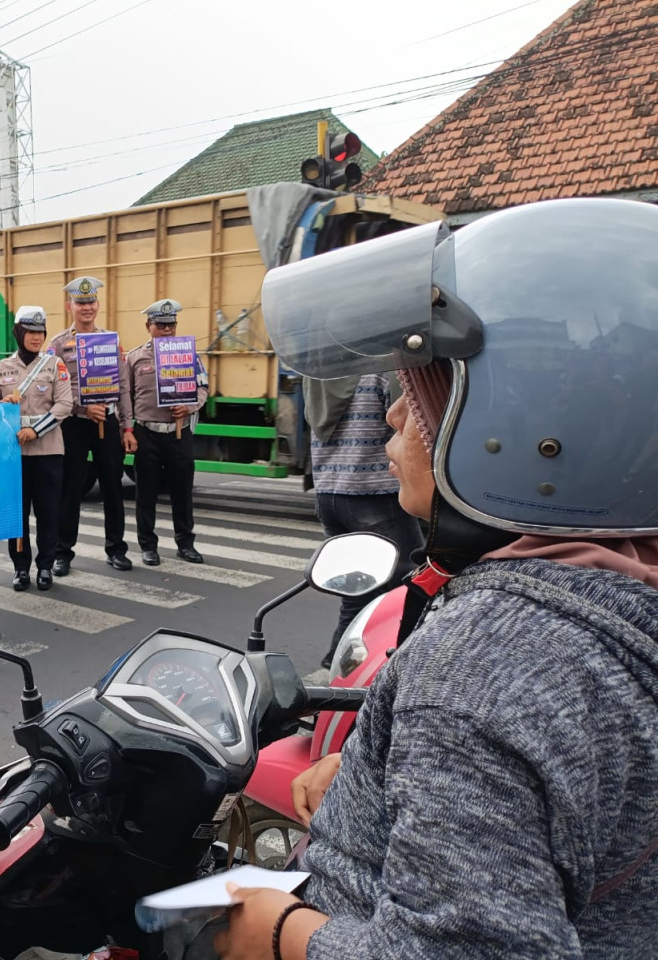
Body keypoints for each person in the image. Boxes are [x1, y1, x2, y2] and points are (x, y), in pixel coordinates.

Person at [216, 198, 658, 960]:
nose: (391, 415)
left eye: (422, 392)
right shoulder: (615, 605)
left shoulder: (483, 672)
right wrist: (371, 775)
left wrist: (278, 932)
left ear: (525, 425)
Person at [305, 372, 423, 668]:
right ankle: (395, 669)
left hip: (329, 492)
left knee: (356, 590)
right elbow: (409, 421)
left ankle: (338, 664)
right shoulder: (380, 370)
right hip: (373, 493)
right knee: (407, 586)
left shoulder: (319, 375)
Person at [48, 276, 132, 576]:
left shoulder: (111, 341)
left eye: (91, 302)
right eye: (80, 302)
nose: (86, 307)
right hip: (75, 423)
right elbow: (53, 388)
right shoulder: (58, 345)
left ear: (97, 305)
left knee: (112, 486)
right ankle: (63, 553)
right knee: (70, 489)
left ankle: (116, 549)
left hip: (107, 422)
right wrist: (84, 406)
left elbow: (123, 385)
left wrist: (127, 427)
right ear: (69, 306)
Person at [0, 306, 73, 591]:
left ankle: (45, 566)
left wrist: (35, 430)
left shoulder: (54, 365)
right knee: (16, 515)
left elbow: (64, 405)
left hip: (48, 452)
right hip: (13, 457)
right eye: (30, 332)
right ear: (19, 333)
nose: (36, 338)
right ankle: (21, 568)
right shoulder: (2, 368)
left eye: (40, 332)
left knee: (49, 512)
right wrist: (3, 405)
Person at [120, 299, 208, 566]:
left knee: (182, 492)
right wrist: (127, 429)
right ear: (149, 327)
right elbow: (126, 396)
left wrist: (190, 405)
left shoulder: (189, 356)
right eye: (161, 325)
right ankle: (148, 546)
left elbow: (202, 388)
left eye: (171, 325)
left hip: (178, 432)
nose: (167, 330)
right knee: (145, 493)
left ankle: (185, 543)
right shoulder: (135, 358)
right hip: (147, 433)